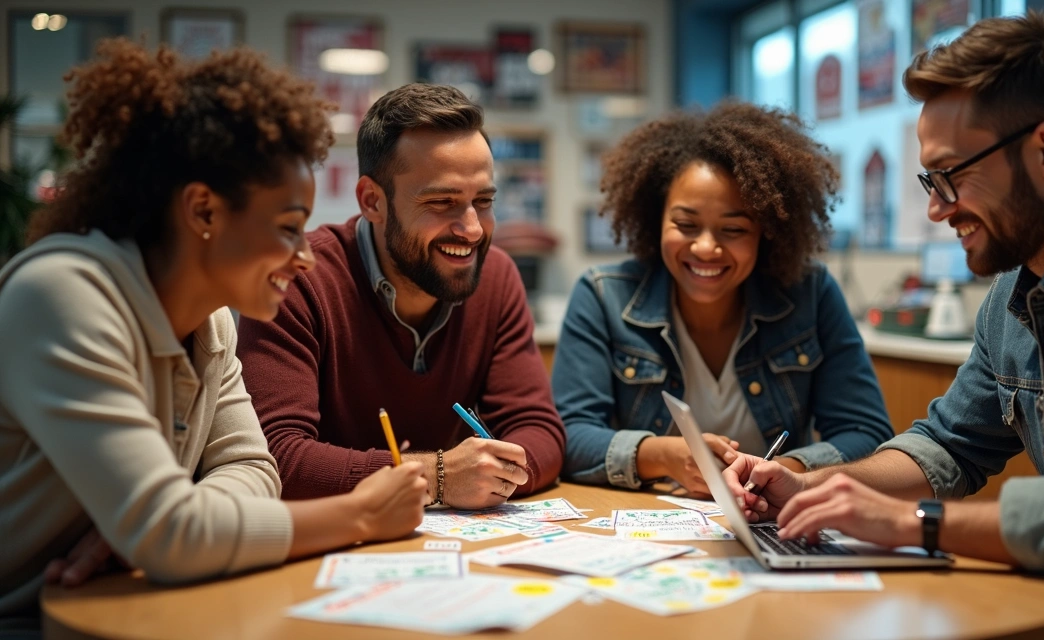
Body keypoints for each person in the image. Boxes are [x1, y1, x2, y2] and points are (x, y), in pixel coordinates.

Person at [725, 14, 1044, 639]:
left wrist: (914, 524)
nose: (936, 207)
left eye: (951, 175)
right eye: (931, 181)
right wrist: (811, 485)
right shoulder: (1013, 291)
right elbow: (948, 445)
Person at [0, 41, 430, 629]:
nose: (305, 256)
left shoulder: (213, 322)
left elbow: (255, 469)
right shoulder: (62, 296)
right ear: (202, 211)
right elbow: (172, 534)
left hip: (119, 605)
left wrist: (165, 527)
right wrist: (358, 516)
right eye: (286, 228)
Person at [236, 84, 565, 509]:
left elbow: (539, 430)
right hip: (328, 548)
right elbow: (277, 459)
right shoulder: (298, 279)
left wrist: (490, 475)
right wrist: (437, 476)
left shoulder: (496, 276)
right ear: (373, 201)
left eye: (482, 202)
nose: (473, 229)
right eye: (442, 202)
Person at [554, 102, 894, 494]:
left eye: (733, 230)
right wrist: (665, 456)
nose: (706, 248)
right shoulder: (602, 295)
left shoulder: (811, 293)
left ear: (766, 232)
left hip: (775, 519)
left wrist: (781, 473)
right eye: (685, 225)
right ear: (655, 217)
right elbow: (571, 436)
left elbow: (866, 433)